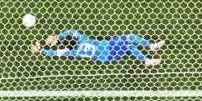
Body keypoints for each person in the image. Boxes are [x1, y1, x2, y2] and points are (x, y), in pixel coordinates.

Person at [29, 28, 165, 66]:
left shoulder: (71, 52)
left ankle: (148, 54)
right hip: (110, 51)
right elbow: (70, 31)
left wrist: (41, 50)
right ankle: (149, 49)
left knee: (128, 44)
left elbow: (54, 53)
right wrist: (57, 37)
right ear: (76, 39)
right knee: (128, 38)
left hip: (107, 51)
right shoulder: (83, 39)